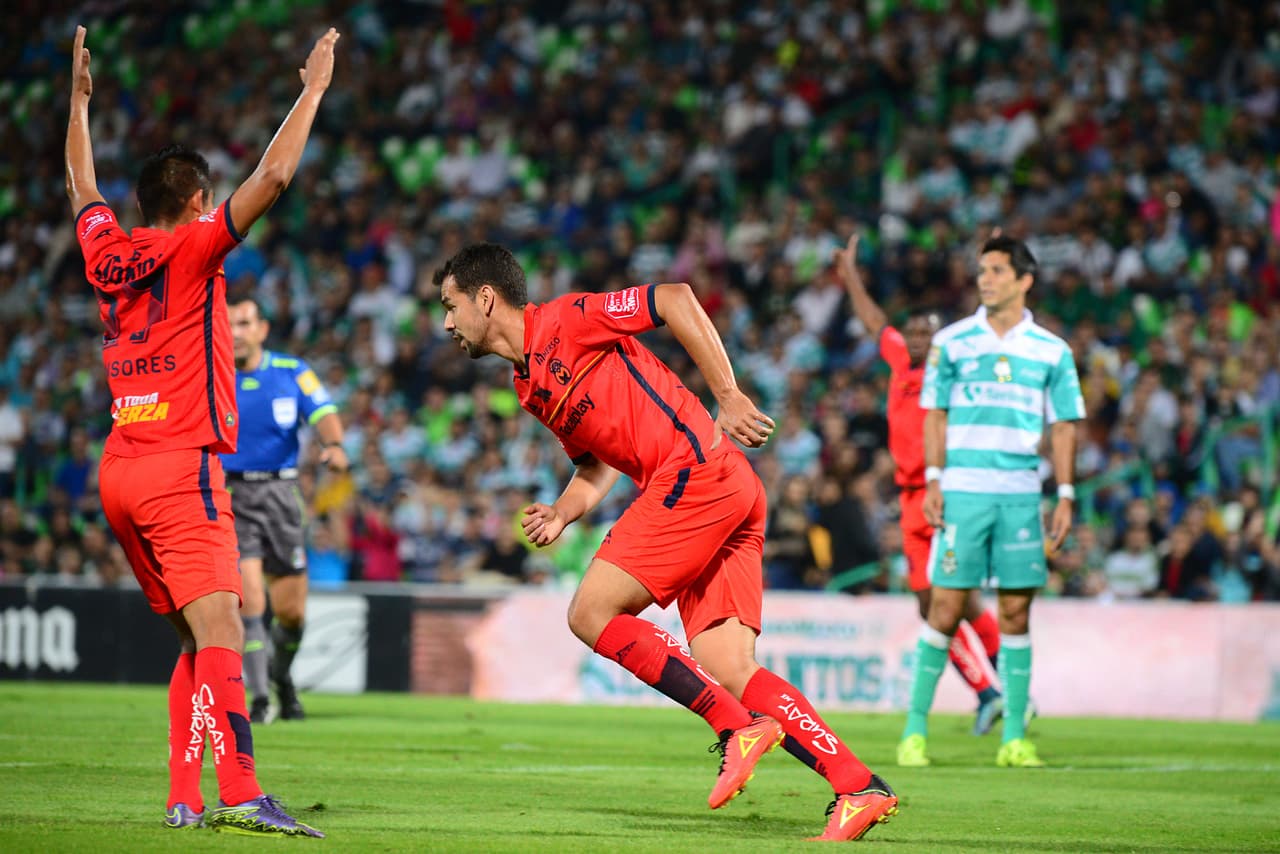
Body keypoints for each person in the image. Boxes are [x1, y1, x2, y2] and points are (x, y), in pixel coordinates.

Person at [436, 243, 898, 842]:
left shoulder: (569, 319)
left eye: (450, 306)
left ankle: (736, 727)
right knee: (729, 666)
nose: (446, 323)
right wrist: (563, 512)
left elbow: (675, 298)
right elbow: (595, 464)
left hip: (694, 472)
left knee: (590, 613)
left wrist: (727, 394)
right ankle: (858, 786)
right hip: (725, 487)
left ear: (485, 298)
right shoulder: (528, 387)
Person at [66, 23, 338, 835]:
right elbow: (275, 174)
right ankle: (244, 793)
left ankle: (184, 796)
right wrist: (313, 90)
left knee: (195, 638)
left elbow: (81, 188)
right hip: (181, 468)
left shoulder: (106, 253)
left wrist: (77, 105)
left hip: (121, 467)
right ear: (196, 204)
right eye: (208, 202)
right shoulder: (195, 248)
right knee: (224, 627)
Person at [896, 235, 1085, 768]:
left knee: (1016, 611)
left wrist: (1065, 493)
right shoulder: (952, 342)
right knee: (945, 606)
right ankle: (914, 732)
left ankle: (1015, 739)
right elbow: (934, 414)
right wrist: (935, 480)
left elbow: (1064, 425)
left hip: (1021, 495)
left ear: (1025, 280)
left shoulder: (1052, 350)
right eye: (982, 270)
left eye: (998, 270)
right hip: (963, 491)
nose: (986, 279)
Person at [834, 234, 1007, 734]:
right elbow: (874, 321)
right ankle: (995, 693)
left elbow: (986, 324)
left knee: (951, 601)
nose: (915, 340)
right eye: (911, 332)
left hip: (947, 495)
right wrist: (850, 275)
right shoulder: (899, 361)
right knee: (939, 603)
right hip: (912, 501)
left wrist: (993, 269)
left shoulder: (952, 368)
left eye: (925, 333)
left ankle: (1002, 691)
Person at [225, 295, 348, 724]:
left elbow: (325, 411)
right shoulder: (211, 373)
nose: (236, 333)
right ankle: (260, 700)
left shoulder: (291, 372)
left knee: (292, 614)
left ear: (262, 329)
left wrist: (334, 445)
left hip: (281, 493)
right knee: (250, 602)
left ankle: (281, 677)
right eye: (229, 324)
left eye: (244, 323)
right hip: (231, 495)